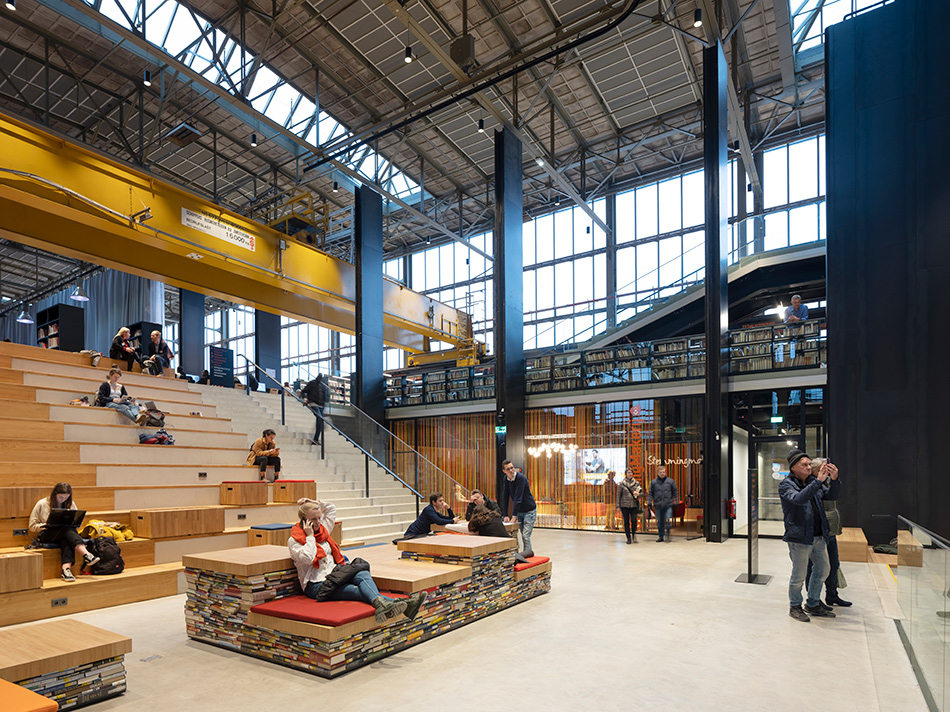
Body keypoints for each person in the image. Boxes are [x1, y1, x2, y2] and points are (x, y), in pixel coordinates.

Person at [289, 498, 426, 622]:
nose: (318, 522)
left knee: (361, 571)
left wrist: (316, 503)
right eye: (313, 519)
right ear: (304, 521)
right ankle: (406, 605)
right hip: (317, 585)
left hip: (336, 575)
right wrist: (310, 536)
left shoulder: (323, 531)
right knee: (356, 590)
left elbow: (331, 509)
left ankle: (383, 605)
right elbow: (308, 558)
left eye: (319, 518)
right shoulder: (295, 540)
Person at [780, 449, 841, 622]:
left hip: (818, 536)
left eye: (809, 464)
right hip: (799, 538)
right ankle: (795, 605)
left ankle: (813, 603)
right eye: (804, 465)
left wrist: (834, 480)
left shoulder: (814, 482)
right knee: (798, 575)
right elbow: (799, 499)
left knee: (823, 569)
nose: (809, 467)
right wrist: (818, 482)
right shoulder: (786, 485)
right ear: (793, 468)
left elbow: (831, 496)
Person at [804, 457, 852, 609]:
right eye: (825, 468)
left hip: (829, 531)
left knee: (833, 564)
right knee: (814, 567)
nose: (827, 470)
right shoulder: (811, 484)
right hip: (818, 532)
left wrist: (835, 479)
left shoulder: (823, 484)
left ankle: (831, 594)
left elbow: (834, 495)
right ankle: (814, 599)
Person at [29, 483, 100, 581]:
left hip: (64, 533)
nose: (63, 500)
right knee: (66, 530)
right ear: (55, 494)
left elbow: (77, 524)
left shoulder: (70, 503)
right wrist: (47, 525)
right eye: (61, 497)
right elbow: (32, 526)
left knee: (66, 537)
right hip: (46, 534)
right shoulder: (42, 503)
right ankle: (86, 554)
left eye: (66, 497)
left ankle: (66, 570)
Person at [501, 460, 537, 554]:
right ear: (504, 471)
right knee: (520, 534)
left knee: (525, 536)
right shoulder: (506, 479)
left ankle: (527, 555)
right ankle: (522, 554)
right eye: (508, 469)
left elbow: (518, 498)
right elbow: (505, 497)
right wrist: (505, 515)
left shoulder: (521, 478)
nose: (511, 470)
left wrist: (514, 516)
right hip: (520, 511)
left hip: (529, 510)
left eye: (512, 467)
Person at [648, 466, 679, 542]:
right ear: (658, 473)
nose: (662, 474)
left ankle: (667, 531)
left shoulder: (670, 481)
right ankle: (661, 536)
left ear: (665, 472)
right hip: (658, 505)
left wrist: (676, 501)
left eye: (663, 472)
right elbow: (650, 493)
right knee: (660, 521)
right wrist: (649, 502)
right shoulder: (653, 482)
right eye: (660, 472)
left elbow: (675, 492)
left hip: (668, 504)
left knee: (668, 519)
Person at [616, 468, 643, 544]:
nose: (630, 474)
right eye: (628, 473)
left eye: (631, 473)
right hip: (624, 505)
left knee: (634, 520)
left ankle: (634, 534)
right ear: (626, 474)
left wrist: (638, 494)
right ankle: (628, 538)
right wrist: (617, 506)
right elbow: (618, 495)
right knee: (626, 522)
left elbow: (642, 494)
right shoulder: (622, 484)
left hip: (634, 505)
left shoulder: (637, 483)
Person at [302, 374, 328, 445]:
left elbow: (324, 397)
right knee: (319, 418)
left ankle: (316, 439)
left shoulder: (323, 386)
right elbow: (303, 391)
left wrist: (324, 407)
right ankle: (315, 438)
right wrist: (305, 399)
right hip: (313, 403)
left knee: (320, 420)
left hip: (321, 405)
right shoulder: (312, 383)